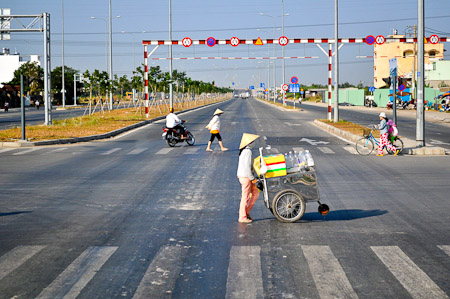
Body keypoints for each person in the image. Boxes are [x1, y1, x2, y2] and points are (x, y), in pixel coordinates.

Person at [237, 133, 260, 223]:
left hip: (245, 176)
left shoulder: (245, 151)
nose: (253, 143)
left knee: (255, 193)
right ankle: (242, 217)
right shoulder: (248, 152)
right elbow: (247, 167)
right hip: (246, 177)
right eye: (252, 141)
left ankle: (246, 212)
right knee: (245, 197)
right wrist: (252, 178)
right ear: (248, 143)